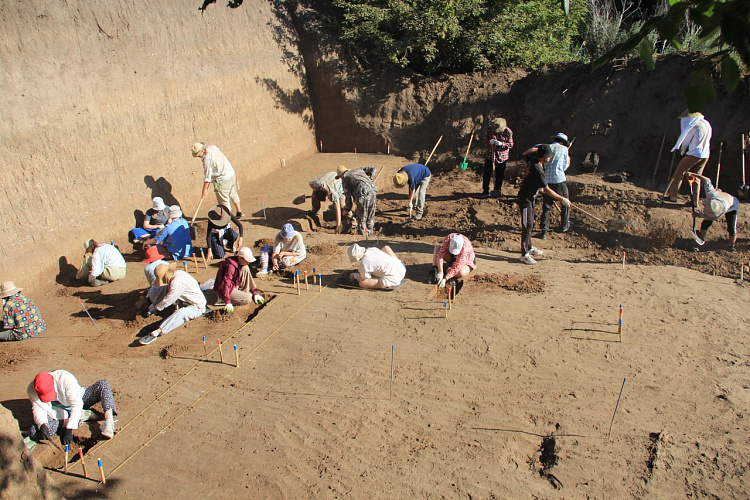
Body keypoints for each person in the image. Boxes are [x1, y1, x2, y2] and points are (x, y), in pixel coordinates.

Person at [517, 144, 571, 265]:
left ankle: (529, 247)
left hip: (531, 196)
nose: (550, 157)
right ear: (542, 156)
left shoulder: (535, 161)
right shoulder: (537, 167)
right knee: (527, 225)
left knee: (530, 223)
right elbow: (546, 189)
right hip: (526, 198)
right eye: (548, 156)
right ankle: (524, 254)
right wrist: (562, 199)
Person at [27, 370, 117, 443]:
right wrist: (43, 424)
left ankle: (109, 422)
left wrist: (69, 429)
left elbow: (77, 404)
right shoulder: (32, 389)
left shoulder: (65, 378)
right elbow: (38, 409)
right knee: (34, 431)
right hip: (56, 411)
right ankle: (79, 416)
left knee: (103, 384)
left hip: (78, 401)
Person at [139, 262, 207, 345]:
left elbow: (168, 300)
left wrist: (158, 307)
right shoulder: (177, 273)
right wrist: (154, 306)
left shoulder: (177, 283)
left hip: (197, 305)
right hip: (183, 300)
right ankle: (151, 307)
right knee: (164, 288)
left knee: (181, 314)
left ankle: (157, 332)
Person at [664, 110, 712, 203]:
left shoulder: (693, 125)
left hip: (694, 154)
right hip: (705, 154)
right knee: (697, 176)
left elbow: (686, 141)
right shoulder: (706, 123)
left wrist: (682, 152)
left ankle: (672, 197)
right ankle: (695, 201)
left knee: (679, 173)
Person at [688, 173, 739, 252]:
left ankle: (731, 246)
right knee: (705, 224)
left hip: (732, 205)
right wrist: (693, 174)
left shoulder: (719, 212)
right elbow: (706, 179)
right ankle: (697, 244)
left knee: (731, 228)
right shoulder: (711, 194)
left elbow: (708, 216)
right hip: (719, 199)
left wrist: (698, 215)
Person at [192, 142, 242, 217]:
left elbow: (207, 178)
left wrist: (204, 190)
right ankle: (239, 212)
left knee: (224, 202)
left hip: (223, 180)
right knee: (233, 193)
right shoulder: (212, 147)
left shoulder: (207, 161)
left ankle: (227, 220)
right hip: (231, 173)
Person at [538, 133, 572, 238]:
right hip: (559, 179)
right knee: (565, 203)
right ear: (562, 142)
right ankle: (564, 225)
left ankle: (544, 230)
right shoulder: (564, 149)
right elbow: (565, 166)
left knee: (547, 207)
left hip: (547, 180)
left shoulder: (548, 148)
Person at [337, 165, 378, 235]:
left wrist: (347, 209)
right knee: (370, 216)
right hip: (373, 190)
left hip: (362, 194)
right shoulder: (358, 170)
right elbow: (373, 168)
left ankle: (362, 237)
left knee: (362, 218)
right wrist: (370, 180)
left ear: (341, 175)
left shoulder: (345, 179)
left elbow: (348, 197)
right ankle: (370, 235)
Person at [480, 117, 514, 198]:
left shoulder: (508, 132)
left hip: (502, 157)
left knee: (499, 174)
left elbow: (511, 144)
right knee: (487, 173)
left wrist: (501, 144)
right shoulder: (490, 129)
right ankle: (485, 191)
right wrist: (489, 142)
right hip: (490, 155)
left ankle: (497, 190)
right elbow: (485, 140)